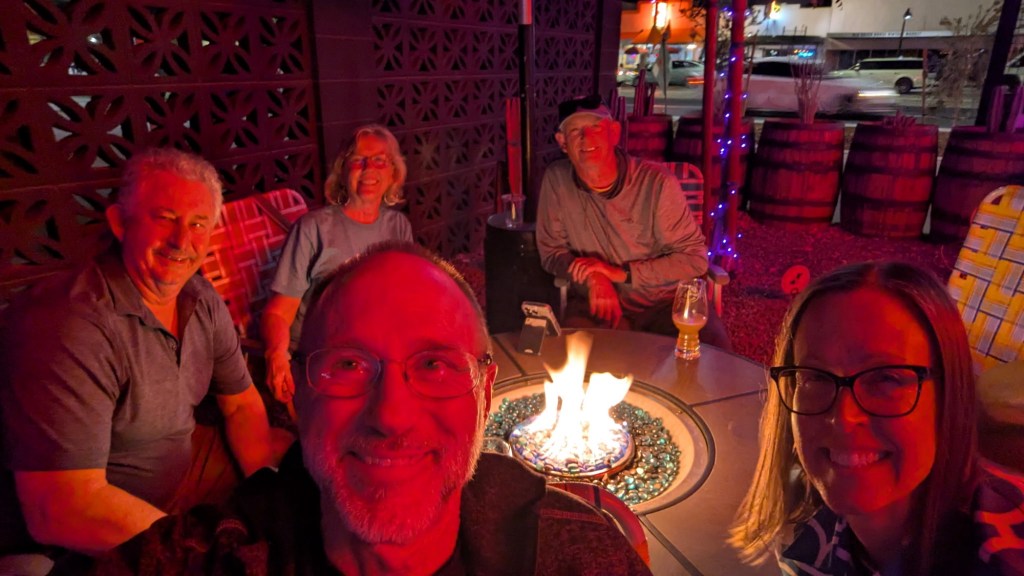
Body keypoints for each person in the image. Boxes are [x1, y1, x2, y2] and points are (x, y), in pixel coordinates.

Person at [76, 243, 652, 576]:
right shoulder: (214, 554)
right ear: (297, 394)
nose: (393, 416)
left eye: (434, 365)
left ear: (485, 397)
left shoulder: (576, 554)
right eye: (348, 366)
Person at [0, 148, 275, 566]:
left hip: (178, 473)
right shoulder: (72, 322)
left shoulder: (200, 299)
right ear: (119, 222)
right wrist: (186, 553)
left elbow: (240, 404)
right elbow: (60, 507)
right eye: (164, 218)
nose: (183, 242)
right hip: (83, 533)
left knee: (302, 465)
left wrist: (266, 495)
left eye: (198, 224)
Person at [729, 261, 1024, 575]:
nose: (843, 418)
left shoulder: (1003, 559)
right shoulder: (803, 530)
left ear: (950, 395)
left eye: (886, 379)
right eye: (816, 377)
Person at [535, 95, 729, 348]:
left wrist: (619, 274)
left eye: (595, 127)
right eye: (575, 131)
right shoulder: (557, 180)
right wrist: (594, 279)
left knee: (713, 358)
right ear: (562, 142)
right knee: (568, 363)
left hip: (664, 305)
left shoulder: (657, 183)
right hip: (596, 304)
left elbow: (694, 259)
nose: (586, 138)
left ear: (614, 133)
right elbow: (551, 252)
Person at [261, 124, 413, 406]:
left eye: (380, 160)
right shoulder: (313, 228)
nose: (369, 168)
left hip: (372, 354)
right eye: (358, 160)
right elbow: (278, 313)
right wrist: (277, 357)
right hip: (321, 357)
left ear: (393, 173)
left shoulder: (398, 226)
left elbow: (399, 300)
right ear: (343, 171)